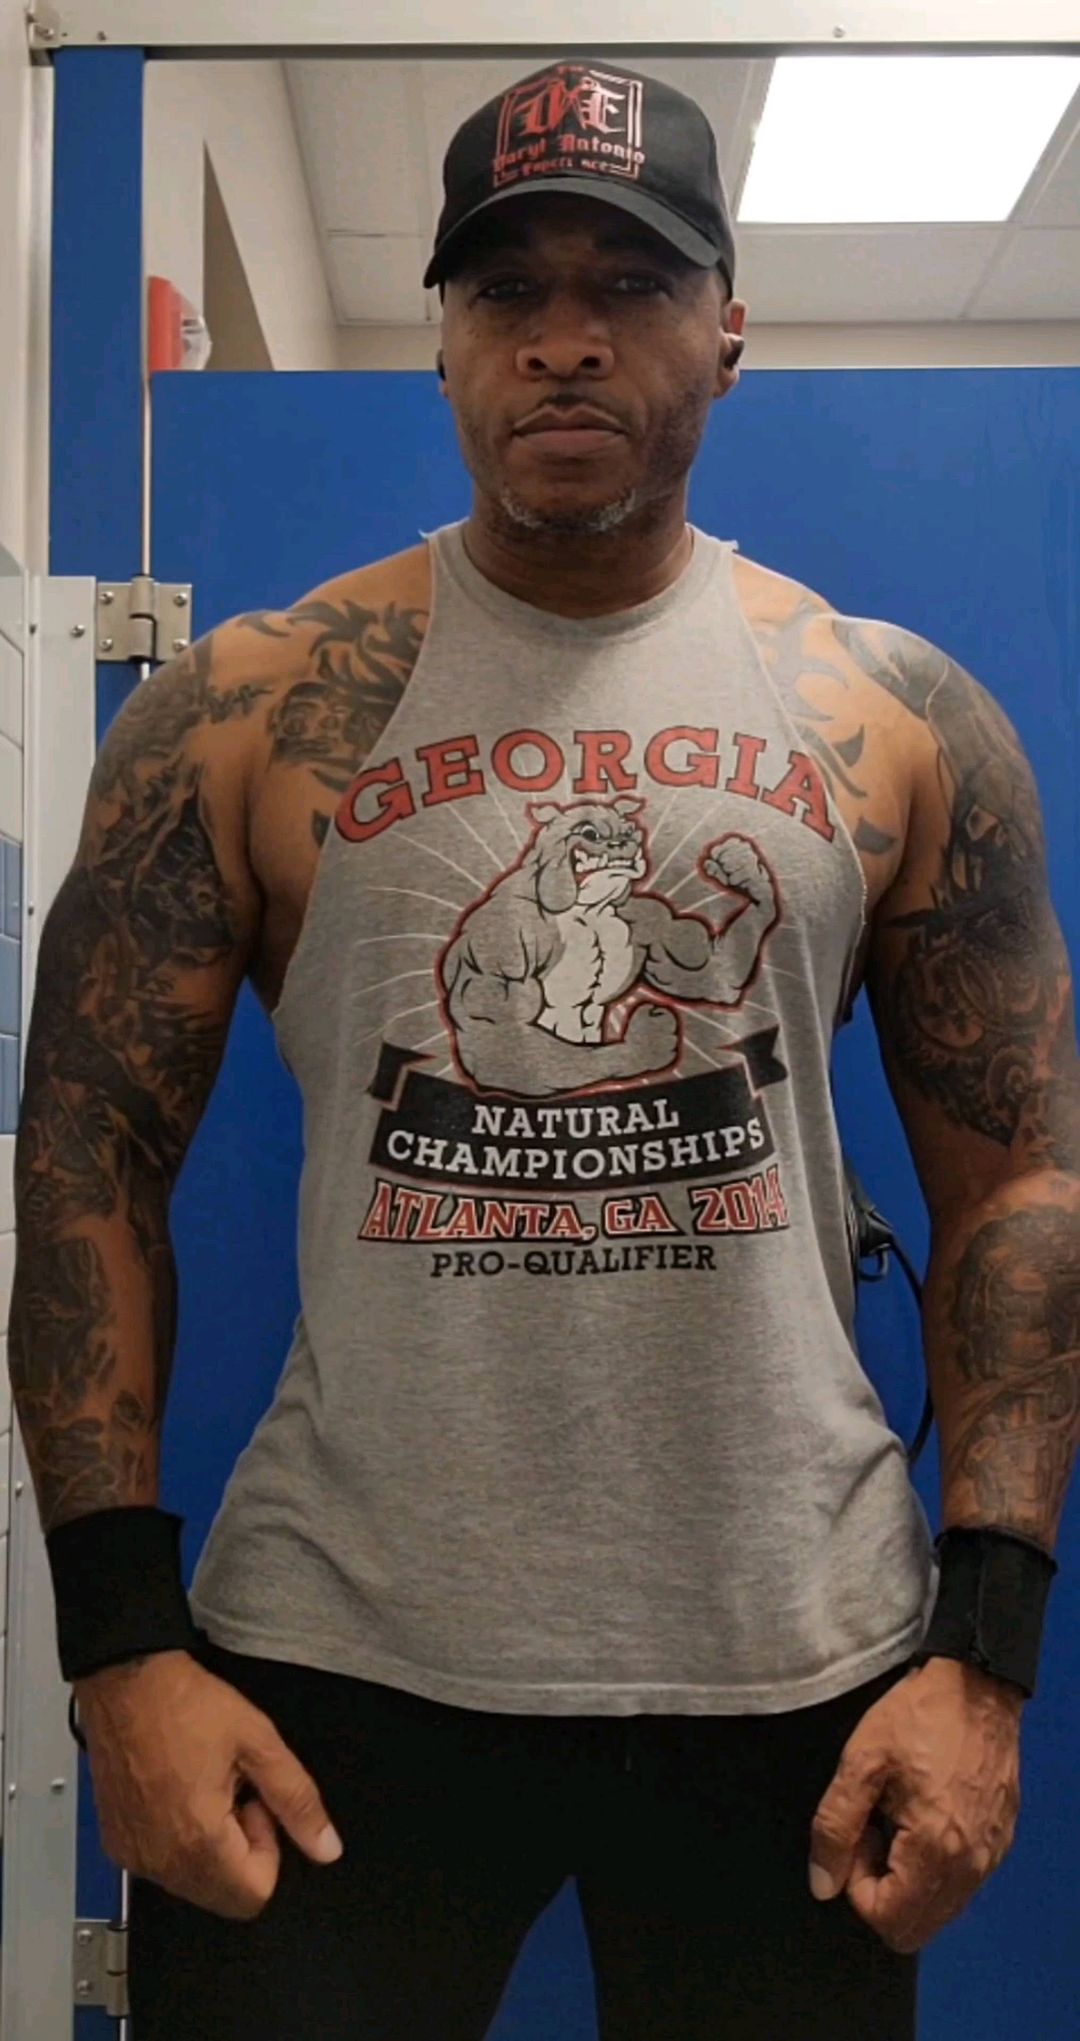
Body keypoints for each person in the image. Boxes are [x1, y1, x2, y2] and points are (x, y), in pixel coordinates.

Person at [9, 56, 1077, 2041]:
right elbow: (85, 1156)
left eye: (632, 282)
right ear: (442, 336)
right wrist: (119, 1649)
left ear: (728, 327)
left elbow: (1019, 1183)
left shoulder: (895, 717)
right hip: (339, 1655)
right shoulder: (245, 709)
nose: (565, 338)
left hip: (799, 1659)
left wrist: (986, 1655)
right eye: (508, 288)